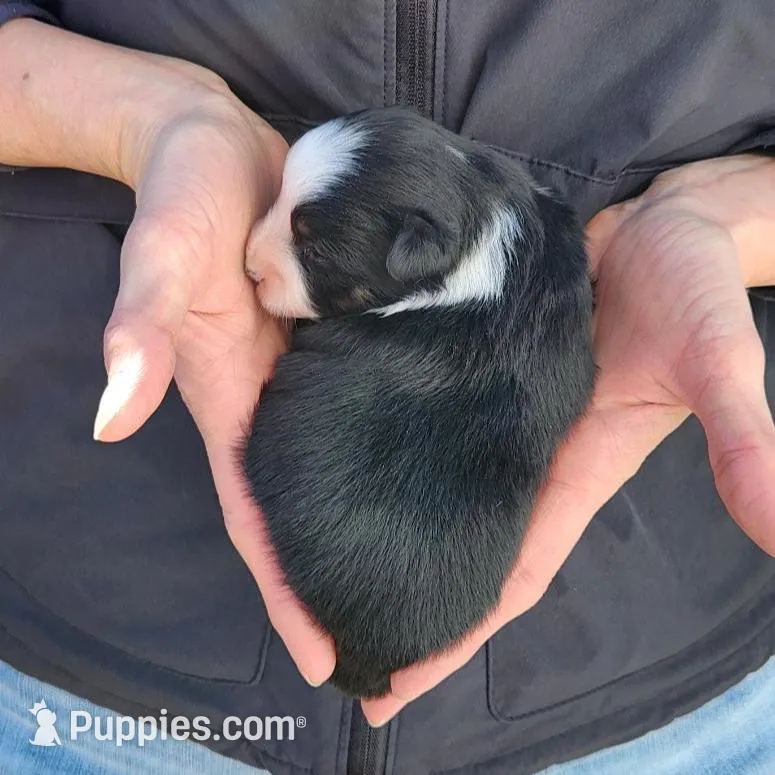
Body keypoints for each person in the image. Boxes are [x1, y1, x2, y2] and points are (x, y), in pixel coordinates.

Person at [0, 3, 773, 774]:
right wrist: (134, 118)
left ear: (416, 257)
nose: (253, 255)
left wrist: (721, 220)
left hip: (655, 715)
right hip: (88, 686)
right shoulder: (481, 248)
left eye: (303, 238)